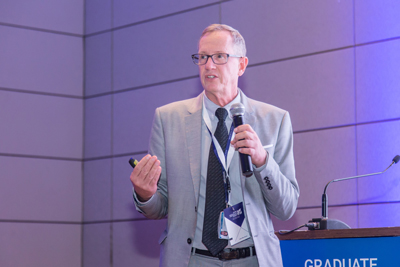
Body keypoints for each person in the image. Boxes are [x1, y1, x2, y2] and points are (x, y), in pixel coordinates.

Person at [130, 24, 299, 266]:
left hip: (252, 259)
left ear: (241, 64)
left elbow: (286, 208)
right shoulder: (168, 119)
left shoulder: (274, 119)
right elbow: (159, 206)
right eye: (202, 57)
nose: (209, 65)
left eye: (219, 57)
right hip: (192, 259)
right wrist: (145, 195)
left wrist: (262, 161)